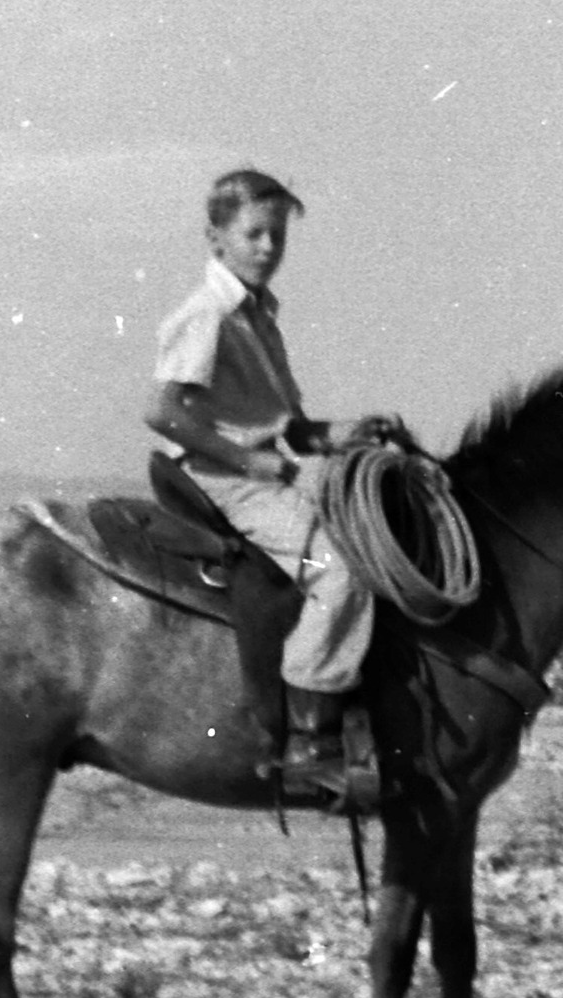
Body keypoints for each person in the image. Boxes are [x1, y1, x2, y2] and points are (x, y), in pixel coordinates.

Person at [143, 169, 396, 795]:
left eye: (276, 236)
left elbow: (283, 423)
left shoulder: (258, 315)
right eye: (253, 234)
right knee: (339, 569)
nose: (267, 248)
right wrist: (246, 460)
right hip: (228, 477)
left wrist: (342, 432)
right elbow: (161, 411)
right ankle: (310, 740)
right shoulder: (207, 314)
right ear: (216, 239)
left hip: (265, 464)